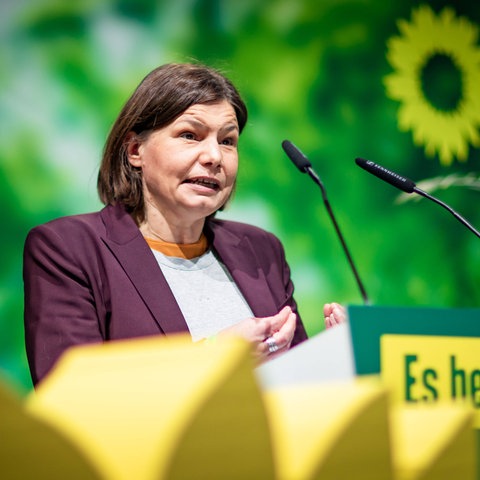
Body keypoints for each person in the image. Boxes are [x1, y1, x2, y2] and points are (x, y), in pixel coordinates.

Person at [23, 62, 344, 386]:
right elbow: (71, 398)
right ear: (135, 150)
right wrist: (214, 357)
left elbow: (300, 390)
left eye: (228, 141)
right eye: (190, 135)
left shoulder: (261, 251)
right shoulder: (67, 248)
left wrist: (338, 356)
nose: (214, 157)